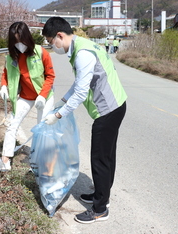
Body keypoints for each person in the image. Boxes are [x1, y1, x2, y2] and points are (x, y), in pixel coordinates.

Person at [42, 17, 127, 224]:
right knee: (107, 156)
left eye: (52, 42)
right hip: (116, 104)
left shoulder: (82, 54)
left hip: (108, 111)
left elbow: (80, 93)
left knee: (99, 159)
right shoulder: (84, 45)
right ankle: (101, 195)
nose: (53, 47)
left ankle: (99, 209)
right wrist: (61, 102)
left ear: (60, 36)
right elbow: (80, 82)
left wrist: (59, 115)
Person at [0, 21, 56, 172]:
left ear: (27, 38)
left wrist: (43, 96)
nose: (19, 45)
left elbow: (50, 76)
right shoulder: (12, 57)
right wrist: (4, 86)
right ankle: (5, 161)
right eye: (15, 42)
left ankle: (41, 164)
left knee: (42, 129)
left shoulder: (41, 52)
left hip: (44, 97)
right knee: (12, 125)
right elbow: (5, 74)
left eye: (21, 41)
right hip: (25, 96)